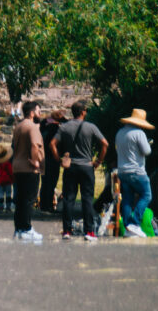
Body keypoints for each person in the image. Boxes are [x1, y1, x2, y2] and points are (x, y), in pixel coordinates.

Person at [53, 101, 107, 241]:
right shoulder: (90, 127)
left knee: (69, 198)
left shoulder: (64, 127)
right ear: (83, 112)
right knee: (87, 199)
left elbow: (52, 144)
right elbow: (104, 144)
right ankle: (89, 231)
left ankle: (67, 230)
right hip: (86, 166)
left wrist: (59, 160)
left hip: (70, 166)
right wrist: (98, 161)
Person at [115, 108, 154, 238]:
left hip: (122, 171)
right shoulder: (139, 133)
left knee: (127, 198)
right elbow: (147, 151)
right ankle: (134, 223)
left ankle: (127, 227)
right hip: (136, 171)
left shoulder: (120, 133)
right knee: (147, 195)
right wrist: (148, 144)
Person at [11, 100, 45, 242]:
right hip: (28, 168)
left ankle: (19, 228)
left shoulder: (18, 126)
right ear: (32, 113)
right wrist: (35, 160)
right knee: (28, 199)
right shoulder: (32, 127)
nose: (40, 114)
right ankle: (26, 228)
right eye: (38, 111)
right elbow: (34, 145)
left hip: (17, 166)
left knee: (19, 199)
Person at [39, 109, 66, 212]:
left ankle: (43, 204)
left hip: (42, 156)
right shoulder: (55, 128)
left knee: (45, 181)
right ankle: (49, 205)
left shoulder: (43, 124)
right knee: (52, 182)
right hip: (52, 157)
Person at [0, 144, 14, 212]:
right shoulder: (8, 164)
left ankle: (0, 207)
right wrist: (13, 179)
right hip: (7, 181)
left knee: (0, 195)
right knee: (8, 194)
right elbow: (11, 172)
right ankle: (8, 207)